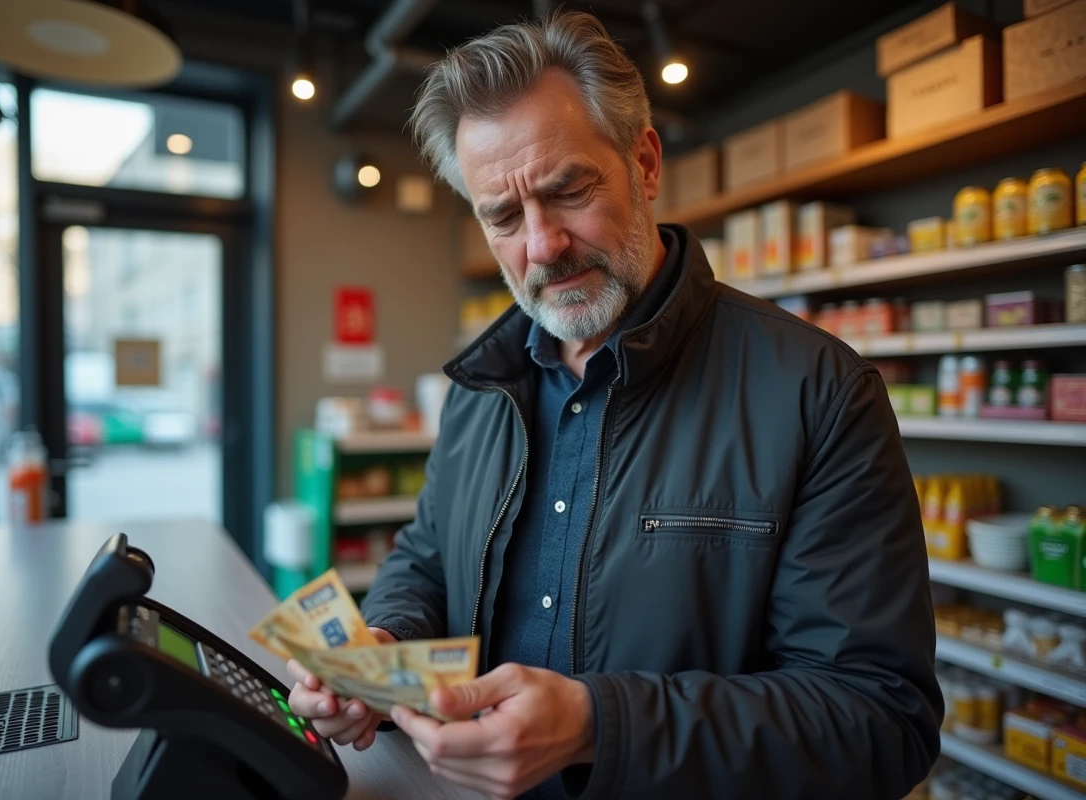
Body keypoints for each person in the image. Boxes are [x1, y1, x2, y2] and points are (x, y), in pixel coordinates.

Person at [287, 10, 942, 799]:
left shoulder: (819, 392)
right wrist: (383, 645)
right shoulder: (479, 390)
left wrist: (601, 725)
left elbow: (881, 718)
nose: (542, 245)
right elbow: (428, 560)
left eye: (568, 191)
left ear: (646, 162)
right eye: (503, 216)